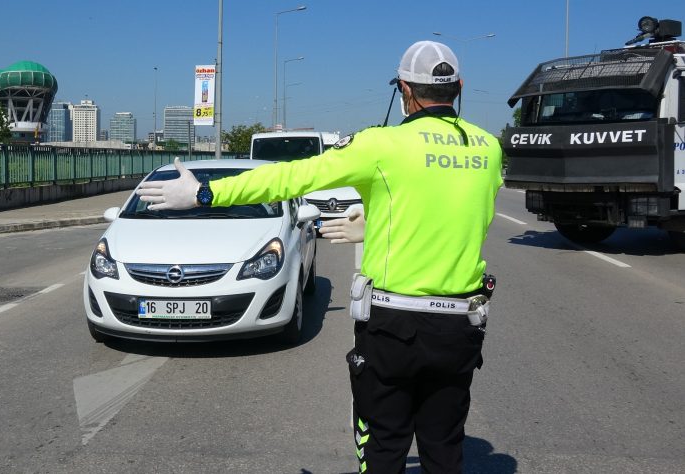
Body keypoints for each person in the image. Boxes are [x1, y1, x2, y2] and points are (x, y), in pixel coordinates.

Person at [136, 40, 503, 474]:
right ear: (458, 87)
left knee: (385, 446)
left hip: (395, 327)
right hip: (459, 326)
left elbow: (293, 177)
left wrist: (204, 192)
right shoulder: (488, 149)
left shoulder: (381, 144)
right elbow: (455, 213)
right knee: (444, 449)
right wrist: (382, 221)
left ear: (404, 89)